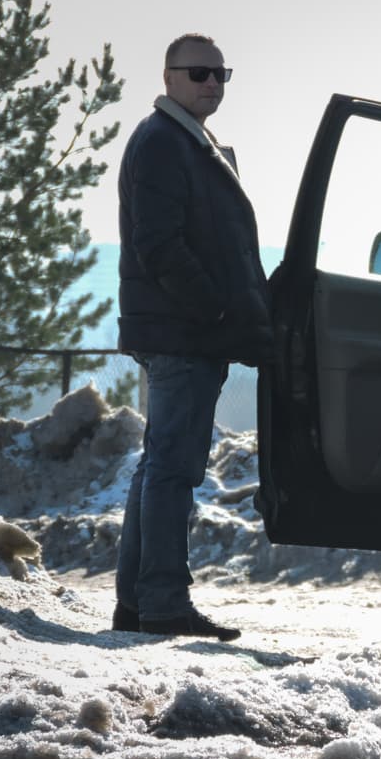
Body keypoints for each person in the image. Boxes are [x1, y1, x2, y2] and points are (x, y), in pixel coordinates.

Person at [112, 33, 272, 641]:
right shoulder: (160, 143)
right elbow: (160, 247)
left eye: (221, 74)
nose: (212, 83)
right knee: (173, 471)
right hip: (181, 333)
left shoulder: (189, 143)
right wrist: (219, 313)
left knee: (161, 466)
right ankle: (162, 604)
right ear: (170, 76)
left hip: (188, 330)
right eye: (200, 72)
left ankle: (138, 602)